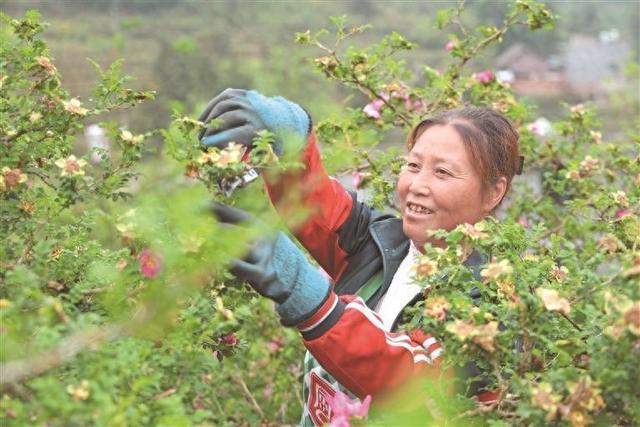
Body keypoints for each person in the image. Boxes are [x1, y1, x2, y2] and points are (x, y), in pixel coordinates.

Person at [199, 89, 522, 426]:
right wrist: (289, 131)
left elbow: (417, 383)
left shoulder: (488, 303)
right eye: (413, 165)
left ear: (493, 192)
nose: (417, 185)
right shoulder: (382, 243)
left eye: (442, 173)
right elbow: (312, 202)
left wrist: (307, 295)